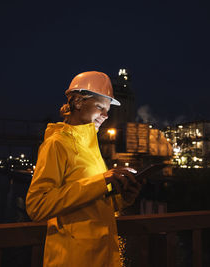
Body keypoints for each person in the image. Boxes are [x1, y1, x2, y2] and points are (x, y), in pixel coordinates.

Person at [26, 71, 141, 267]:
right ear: (78, 102)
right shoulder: (57, 143)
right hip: (73, 259)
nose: (105, 116)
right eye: (100, 107)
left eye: (107, 110)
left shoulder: (90, 147)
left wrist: (123, 198)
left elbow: (93, 204)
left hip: (100, 257)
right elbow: (37, 205)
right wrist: (101, 181)